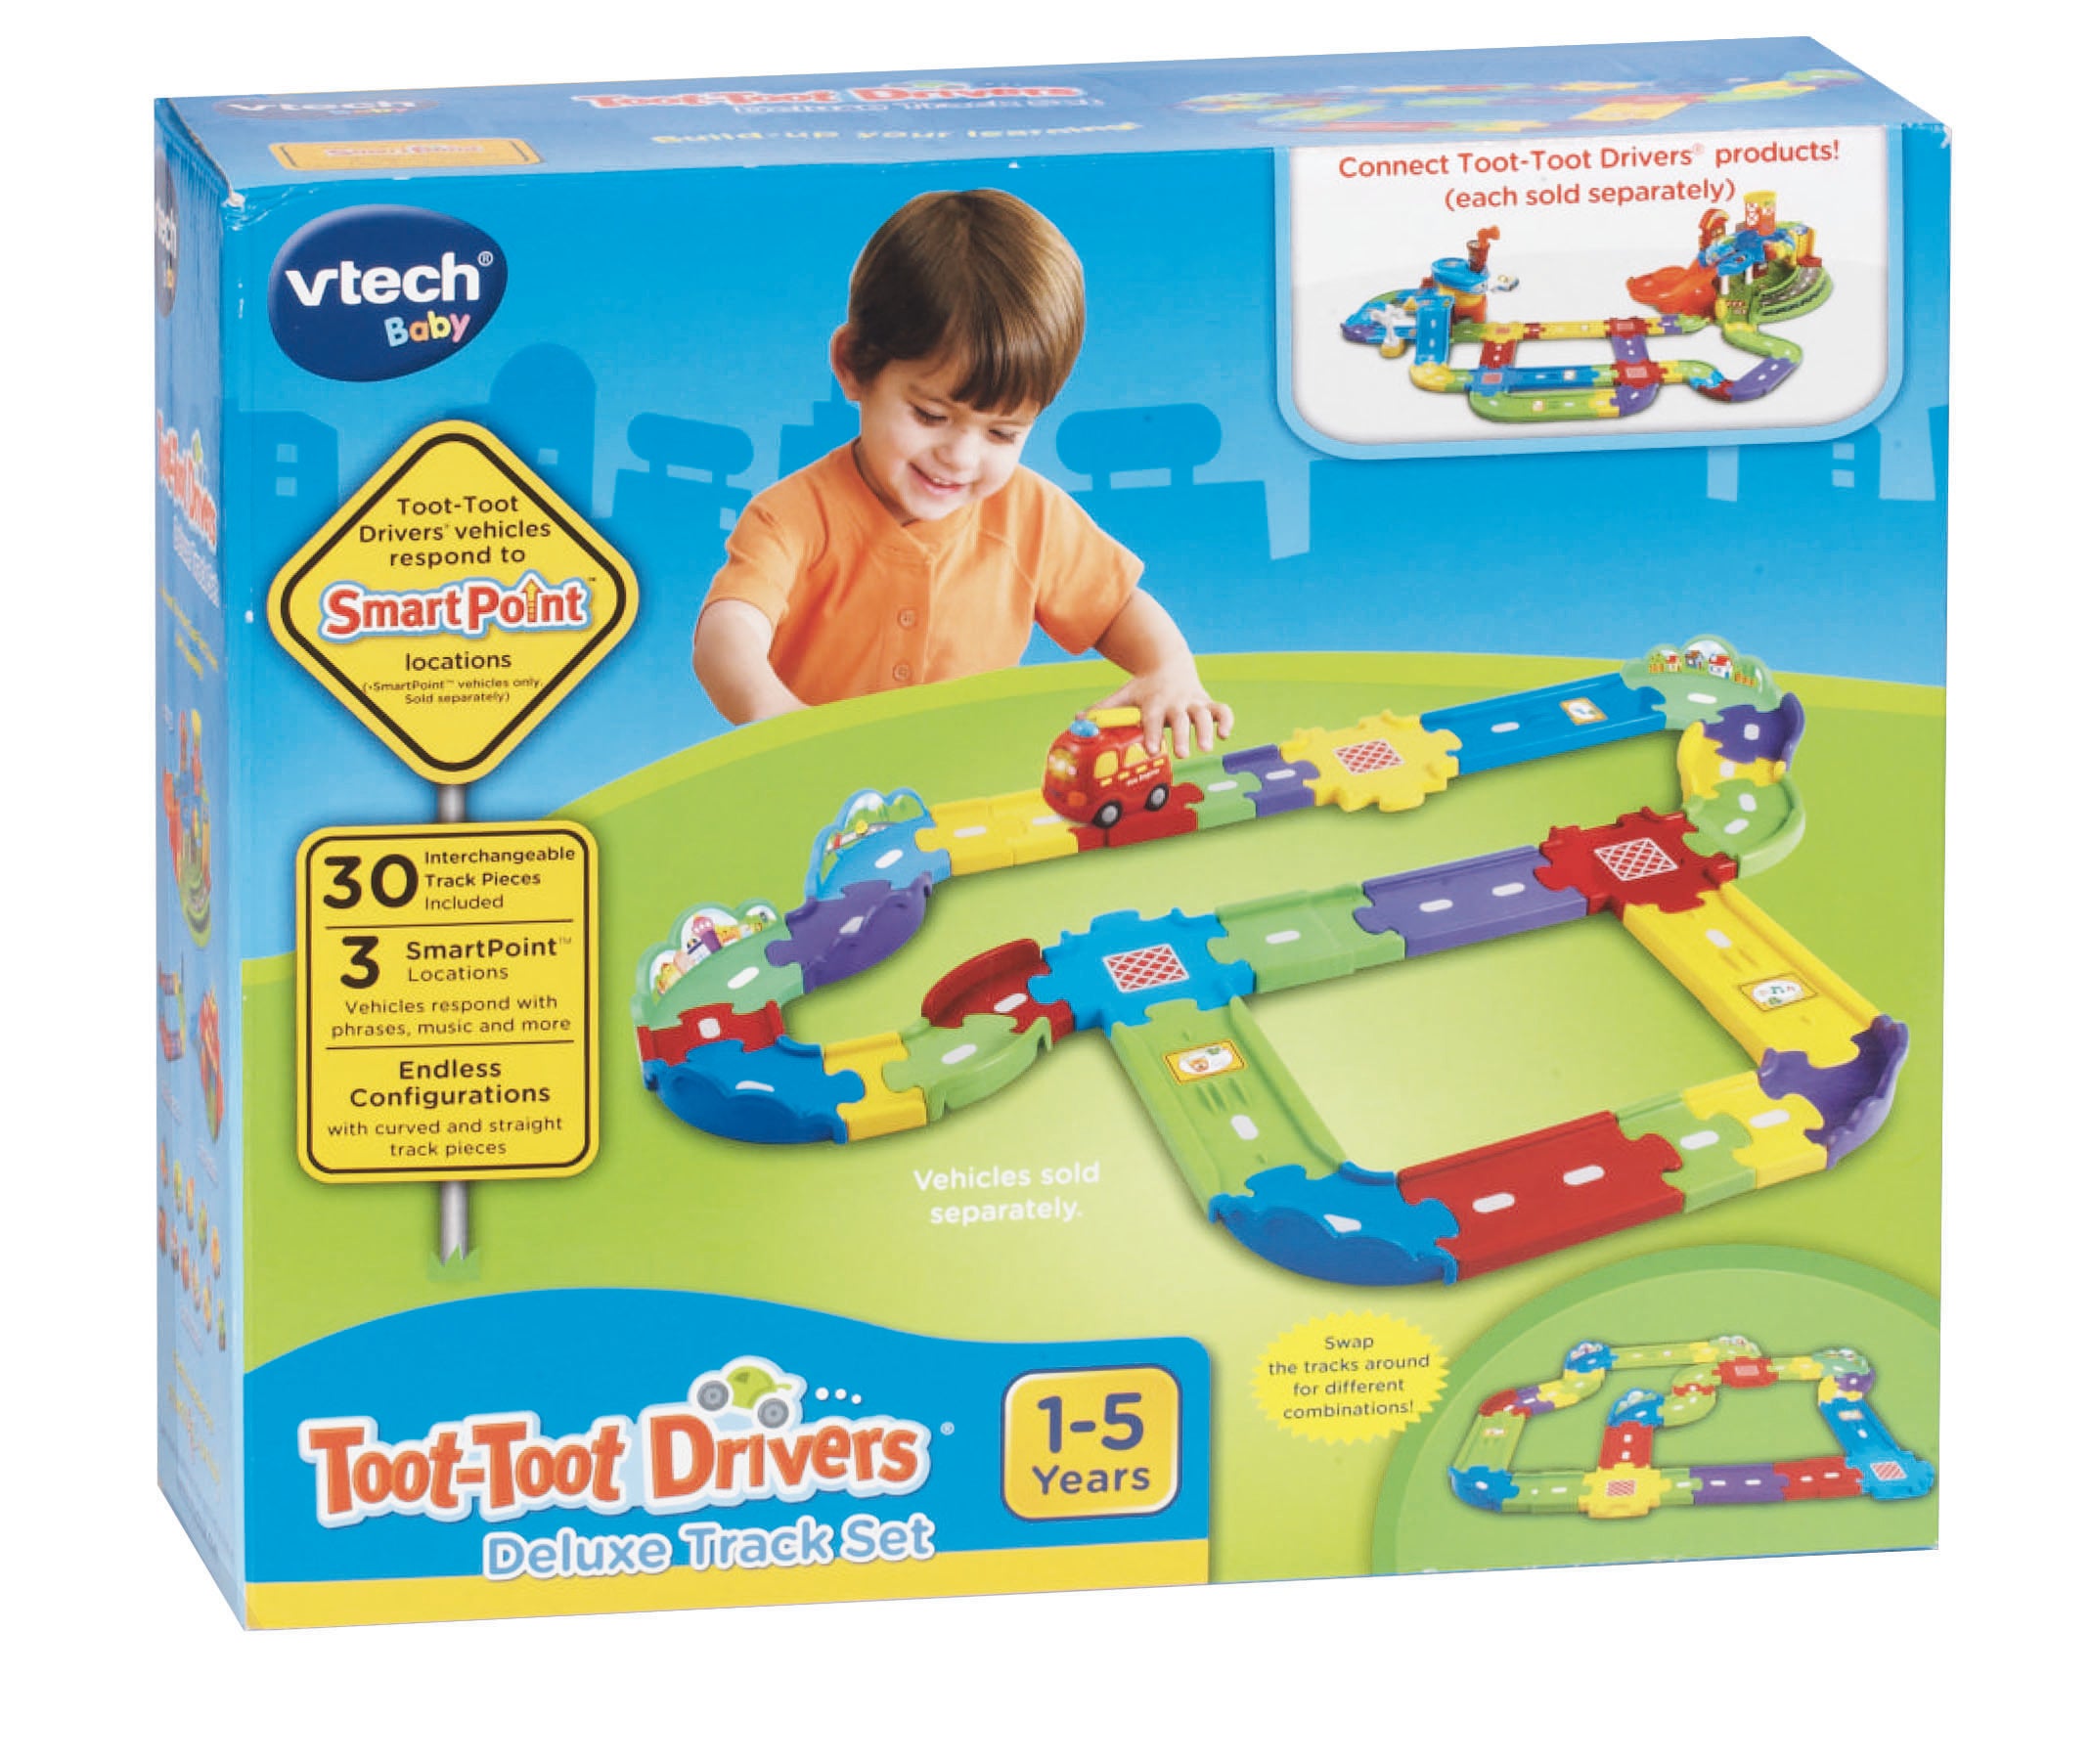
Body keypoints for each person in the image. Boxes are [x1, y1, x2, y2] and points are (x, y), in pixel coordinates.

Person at [692, 189, 1232, 758]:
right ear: (852, 366)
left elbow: (1116, 607)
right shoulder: (793, 517)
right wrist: (775, 716)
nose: (961, 458)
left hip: (959, 780)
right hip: (811, 774)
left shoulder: (1031, 515)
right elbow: (730, 629)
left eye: (1002, 433)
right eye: (931, 416)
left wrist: (1168, 667)